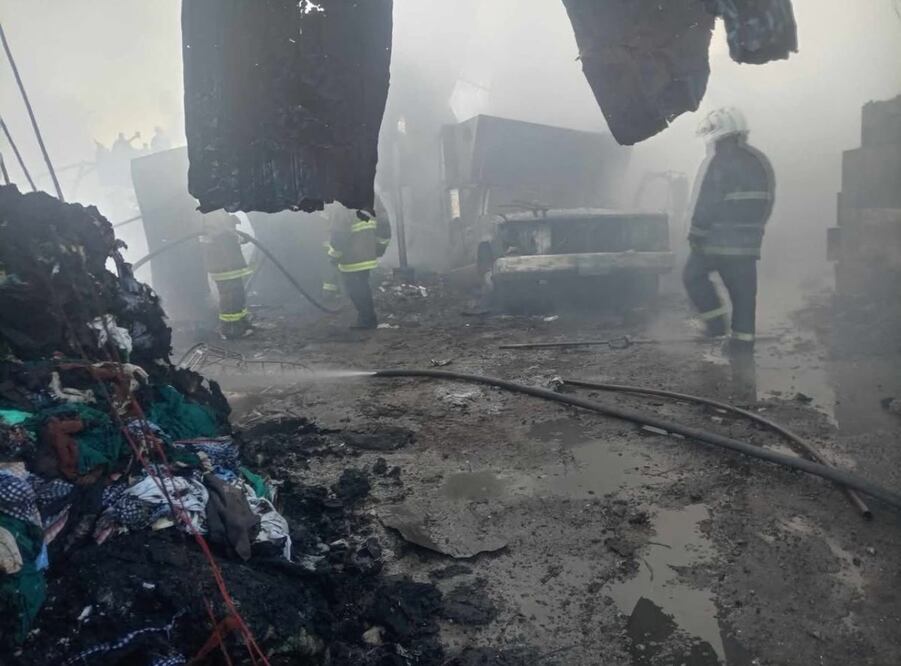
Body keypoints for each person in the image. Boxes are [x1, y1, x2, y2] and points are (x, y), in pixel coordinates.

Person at [683, 107, 775, 356]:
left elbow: (707, 202)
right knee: (744, 298)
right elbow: (767, 203)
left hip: (716, 244)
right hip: (747, 246)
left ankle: (715, 326)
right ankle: (743, 345)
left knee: (692, 276)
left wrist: (696, 234)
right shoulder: (760, 161)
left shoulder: (721, 161)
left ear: (718, 136)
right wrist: (754, 233)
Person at [326, 203, 392, 329]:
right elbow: (384, 227)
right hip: (367, 255)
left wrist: (334, 256)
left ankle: (367, 320)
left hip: (351, 258)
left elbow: (339, 236)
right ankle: (367, 318)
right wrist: (379, 248)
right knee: (362, 286)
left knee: (356, 289)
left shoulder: (341, 203)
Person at [201, 211, 254, 339]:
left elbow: (224, 230)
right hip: (223, 263)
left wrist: (234, 229)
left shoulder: (218, 209)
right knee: (230, 296)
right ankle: (231, 329)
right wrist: (238, 236)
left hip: (228, 261)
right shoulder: (211, 211)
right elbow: (219, 233)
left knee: (237, 294)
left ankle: (241, 323)